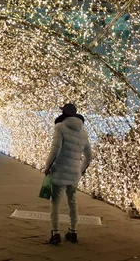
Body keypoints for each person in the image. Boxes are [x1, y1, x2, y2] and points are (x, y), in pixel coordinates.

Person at [43, 103, 92, 245]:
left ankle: (55, 233)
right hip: (74, 173)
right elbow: (89, 156)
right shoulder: (83, 131)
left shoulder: (60, 127)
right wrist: (81, 170)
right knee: (72, 201)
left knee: (56, 202)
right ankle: (73, 231)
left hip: (60, 171)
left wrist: (47, 167)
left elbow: (55, 150)